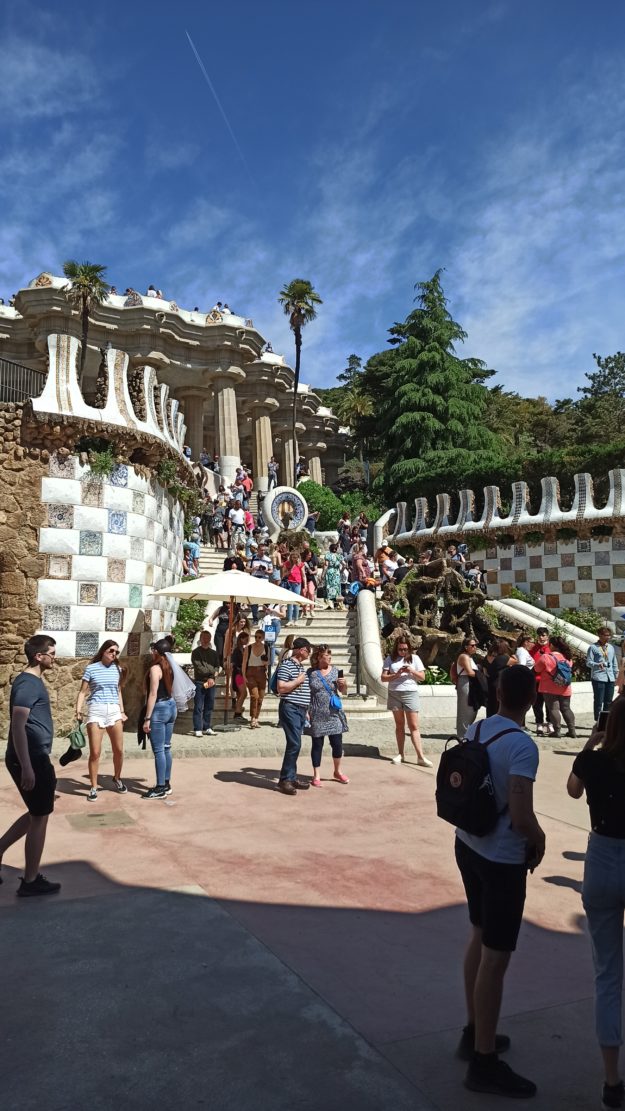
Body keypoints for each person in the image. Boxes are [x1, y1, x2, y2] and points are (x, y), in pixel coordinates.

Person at [454, 665, 543, 1098]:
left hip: (467, 843)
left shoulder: (479, 726)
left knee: (478, 932)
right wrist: (540, 839)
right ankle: (485, 1062)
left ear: (500, 691)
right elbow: (523, 816)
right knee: (497, 956)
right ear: (531, 698)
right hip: (502, 857)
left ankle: (474, 1031)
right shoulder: (522, 746)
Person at [567, 698, 625, 1110]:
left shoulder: (594, 763)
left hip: (602, 857)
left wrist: (592, 742)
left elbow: (572, 790)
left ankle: (611, 1079)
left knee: (608, 975)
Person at [0, 635, 61, 897]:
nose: (54, 657)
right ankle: (30, 880)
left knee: (38, 812)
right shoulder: (27, 684)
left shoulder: (32, 681)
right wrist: (26, 766)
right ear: (39, 656)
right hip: (31, 758)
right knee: (40, 817)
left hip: (35, 757)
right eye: (52, 653)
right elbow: (17, 725)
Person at [75, 640, 127, 801]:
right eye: (111, 650)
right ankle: (93, 786)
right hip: (96, 710)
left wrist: (122, 711)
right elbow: (83, 692)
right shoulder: (91, 668)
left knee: (118, 750)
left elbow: (118, 691)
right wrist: (78, 710)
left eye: (116, 652)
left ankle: (117, 778)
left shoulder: (118, 669)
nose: (114, 654)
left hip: (113, 710)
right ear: (103, 651)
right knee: (95, 752)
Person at [381, 636, 432, 766]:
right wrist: (396, 675)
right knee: (399, 725)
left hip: (410, 692)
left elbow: (422, 677)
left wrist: (411, 670)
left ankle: (420, 756)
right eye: (400, 649)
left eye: (405, 649)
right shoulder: (390, 659)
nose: (403, 652)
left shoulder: (415, 659)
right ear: (396, 648)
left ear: (409, 648)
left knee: (414, 726)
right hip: (394, 693)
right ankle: (400, 754)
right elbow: (383, 678)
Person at [308, 644, 349, 786]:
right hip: (316, 712)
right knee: (317, 745)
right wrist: (307, 711)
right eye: (326, 654)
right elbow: (307, 693)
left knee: (337, 744)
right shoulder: (311, 673)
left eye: (330, 654)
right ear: (319, 657)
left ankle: (337, 771)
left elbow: (343, 692)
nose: (329, 657)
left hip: (333, 713)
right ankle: (316, 775)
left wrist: (344, 685)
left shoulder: (337, 671)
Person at [276, 637, 312, 795]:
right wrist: (298, 681)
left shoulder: (300, 667)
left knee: (295, 744)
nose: (309, 653)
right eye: (307, 650)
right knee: (294, 743)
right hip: (290, 708)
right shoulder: (287, 665)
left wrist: (307, 709)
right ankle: (285, 780)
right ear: (301, 650)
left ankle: (291, 776)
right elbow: (281, 687)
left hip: (300, 710)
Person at [143, 640, 177, 799]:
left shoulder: (155, 668)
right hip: (171, 706)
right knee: (166, 747)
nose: (151, 652)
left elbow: (153, 693)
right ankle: (167, 783)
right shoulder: (170, 667)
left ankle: (160, 787)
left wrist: (147, 718)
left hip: (160, 708)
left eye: (152, 649)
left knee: (158, 750)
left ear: (156, 651)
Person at [534, 634, 576, 739]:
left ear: (551, 645)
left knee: (553, 709)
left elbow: (536, 670)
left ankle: (557, 731)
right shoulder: (567, 657)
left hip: (549, 687)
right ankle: (572, 731)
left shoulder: (546, 657)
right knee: (566, 708)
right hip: (565, 687)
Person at [191, 630, 219, 737]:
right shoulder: (196, 653)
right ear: (201, 639)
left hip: (211, 683)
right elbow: (199, 668)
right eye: (204, 638)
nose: (206, 640)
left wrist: (212, 677)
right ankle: (197, 727)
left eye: (208, 638)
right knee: (198, 705)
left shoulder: (214, 653)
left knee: (209, 705)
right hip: (200, 682)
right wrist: (211, 674)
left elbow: (217, 666)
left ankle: (207, 726)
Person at [587, 627, 618, 722]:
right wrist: (597, 664)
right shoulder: (593, 648)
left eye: (609, 635)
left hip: (610, 678)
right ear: (599, 635)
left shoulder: (611, 647)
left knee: (608, 701)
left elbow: (614, 662)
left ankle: (606, 721)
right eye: (606, 635)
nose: (608, 637)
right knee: (598, 701)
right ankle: (598, 721)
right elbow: (588, 662)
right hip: (598, 677)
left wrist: (616, 674)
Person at [454, 636, 481, 738]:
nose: (475, 647)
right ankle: (462, 735)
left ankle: (467, 733)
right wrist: (481, 674)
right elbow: (470, 672)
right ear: (466, 647)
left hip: (470, 683)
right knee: (465, 710)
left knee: (472, 709)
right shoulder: (464, 657)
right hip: (465, 682)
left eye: (476, 645)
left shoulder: (469, 657)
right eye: (472, 645)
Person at [243, 629, 269, 728]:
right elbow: (244, 662)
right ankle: (253, 718)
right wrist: (244, 675)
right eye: (256, 637)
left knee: (261, 698)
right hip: (250, 672)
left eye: (259, 637)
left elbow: (268, 664)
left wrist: (265, 663)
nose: (257, 639)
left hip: (262, 672)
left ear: (263, 638)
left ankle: (256, 718)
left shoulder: (266, 648)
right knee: (254, 696)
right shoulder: (248, 648)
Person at [529, 628, 552, 736]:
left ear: (547, 636)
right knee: (537, 703)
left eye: (543, 635)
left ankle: (550, 723)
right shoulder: (533, 649)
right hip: (536, 680)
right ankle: (539, 723)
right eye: (539, 635)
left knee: (549, 703)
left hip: (548, 681)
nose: (541, 637)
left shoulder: (551, 648)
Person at [485, 639, 512, 718]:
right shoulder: (503, 658)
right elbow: (516, 661)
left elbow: (485, 671)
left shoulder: (487, 657)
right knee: (499, 707)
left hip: (490, 684)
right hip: (500, 684)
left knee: (491, 707)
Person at [231, 631, 250, 721]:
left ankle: (238, 713)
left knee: (240, 694)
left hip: (240, 674)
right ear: (241, 639)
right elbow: (235, 663)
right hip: (238, 674)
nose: (247, 641)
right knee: (244, 693)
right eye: (246, 639)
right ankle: (237, 712)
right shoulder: (237, 650)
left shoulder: (242, 649)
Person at [284, 550, 305, 626]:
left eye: (296, 557)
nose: (294, 559)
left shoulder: (301, 564)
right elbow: (284, 574)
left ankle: (296, 619)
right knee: (290, 602)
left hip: (297, 583)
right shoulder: (287, 563)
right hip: (289, 583)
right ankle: (289, 619)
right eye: (293, 557)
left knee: (296, 602)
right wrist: (290, 570)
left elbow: (303, 575)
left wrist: (305, 586)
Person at [323, 543, 343, 610]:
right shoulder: (339, 556)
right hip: (337, 573)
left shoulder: (328, 555)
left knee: (329, 587)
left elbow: (326, 565)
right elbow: (345, 565)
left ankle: (330, 604)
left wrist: (323, 574)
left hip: (330, 572)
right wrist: (341, 571)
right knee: (337, 588)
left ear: (330, 549)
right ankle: (338, 604)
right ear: (336, 549)